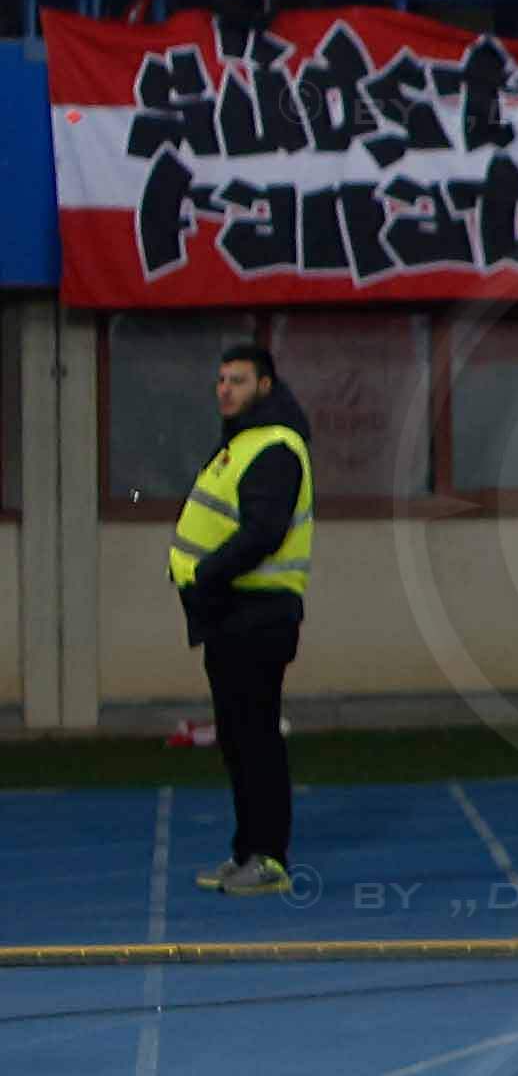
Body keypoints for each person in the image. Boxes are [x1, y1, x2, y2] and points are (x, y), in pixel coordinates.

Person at [175, 341, 313, 897]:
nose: (224, 388)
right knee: (238, 738)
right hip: (232, 613)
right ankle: (247, 850)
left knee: (255, 738)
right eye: (220, 379)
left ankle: (269, 857)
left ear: (265, 386)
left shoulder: (275, 446)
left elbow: (264, 531)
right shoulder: (244, 443)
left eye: (237, 379)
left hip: (257, 612)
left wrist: (207, 574)